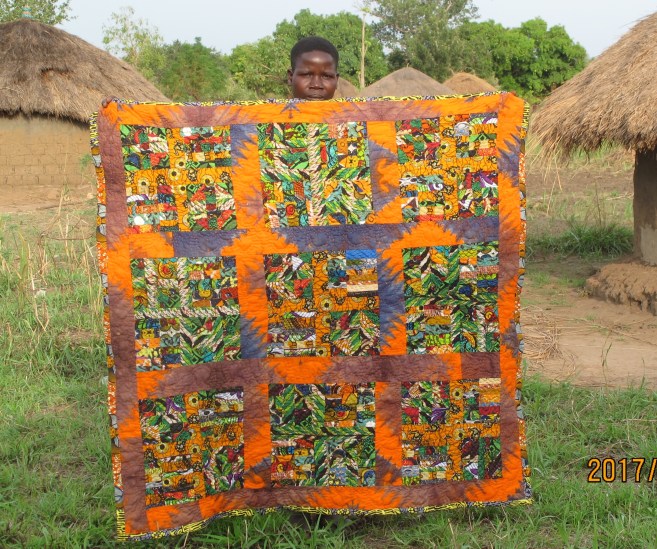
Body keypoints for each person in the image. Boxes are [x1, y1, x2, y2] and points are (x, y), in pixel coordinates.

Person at [288, 36, 340, 101]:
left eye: (326, 76)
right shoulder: (275, 107)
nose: (316, 85)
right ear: (290, 77)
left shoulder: (350, 107)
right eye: (307, 75)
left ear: (336, 80)